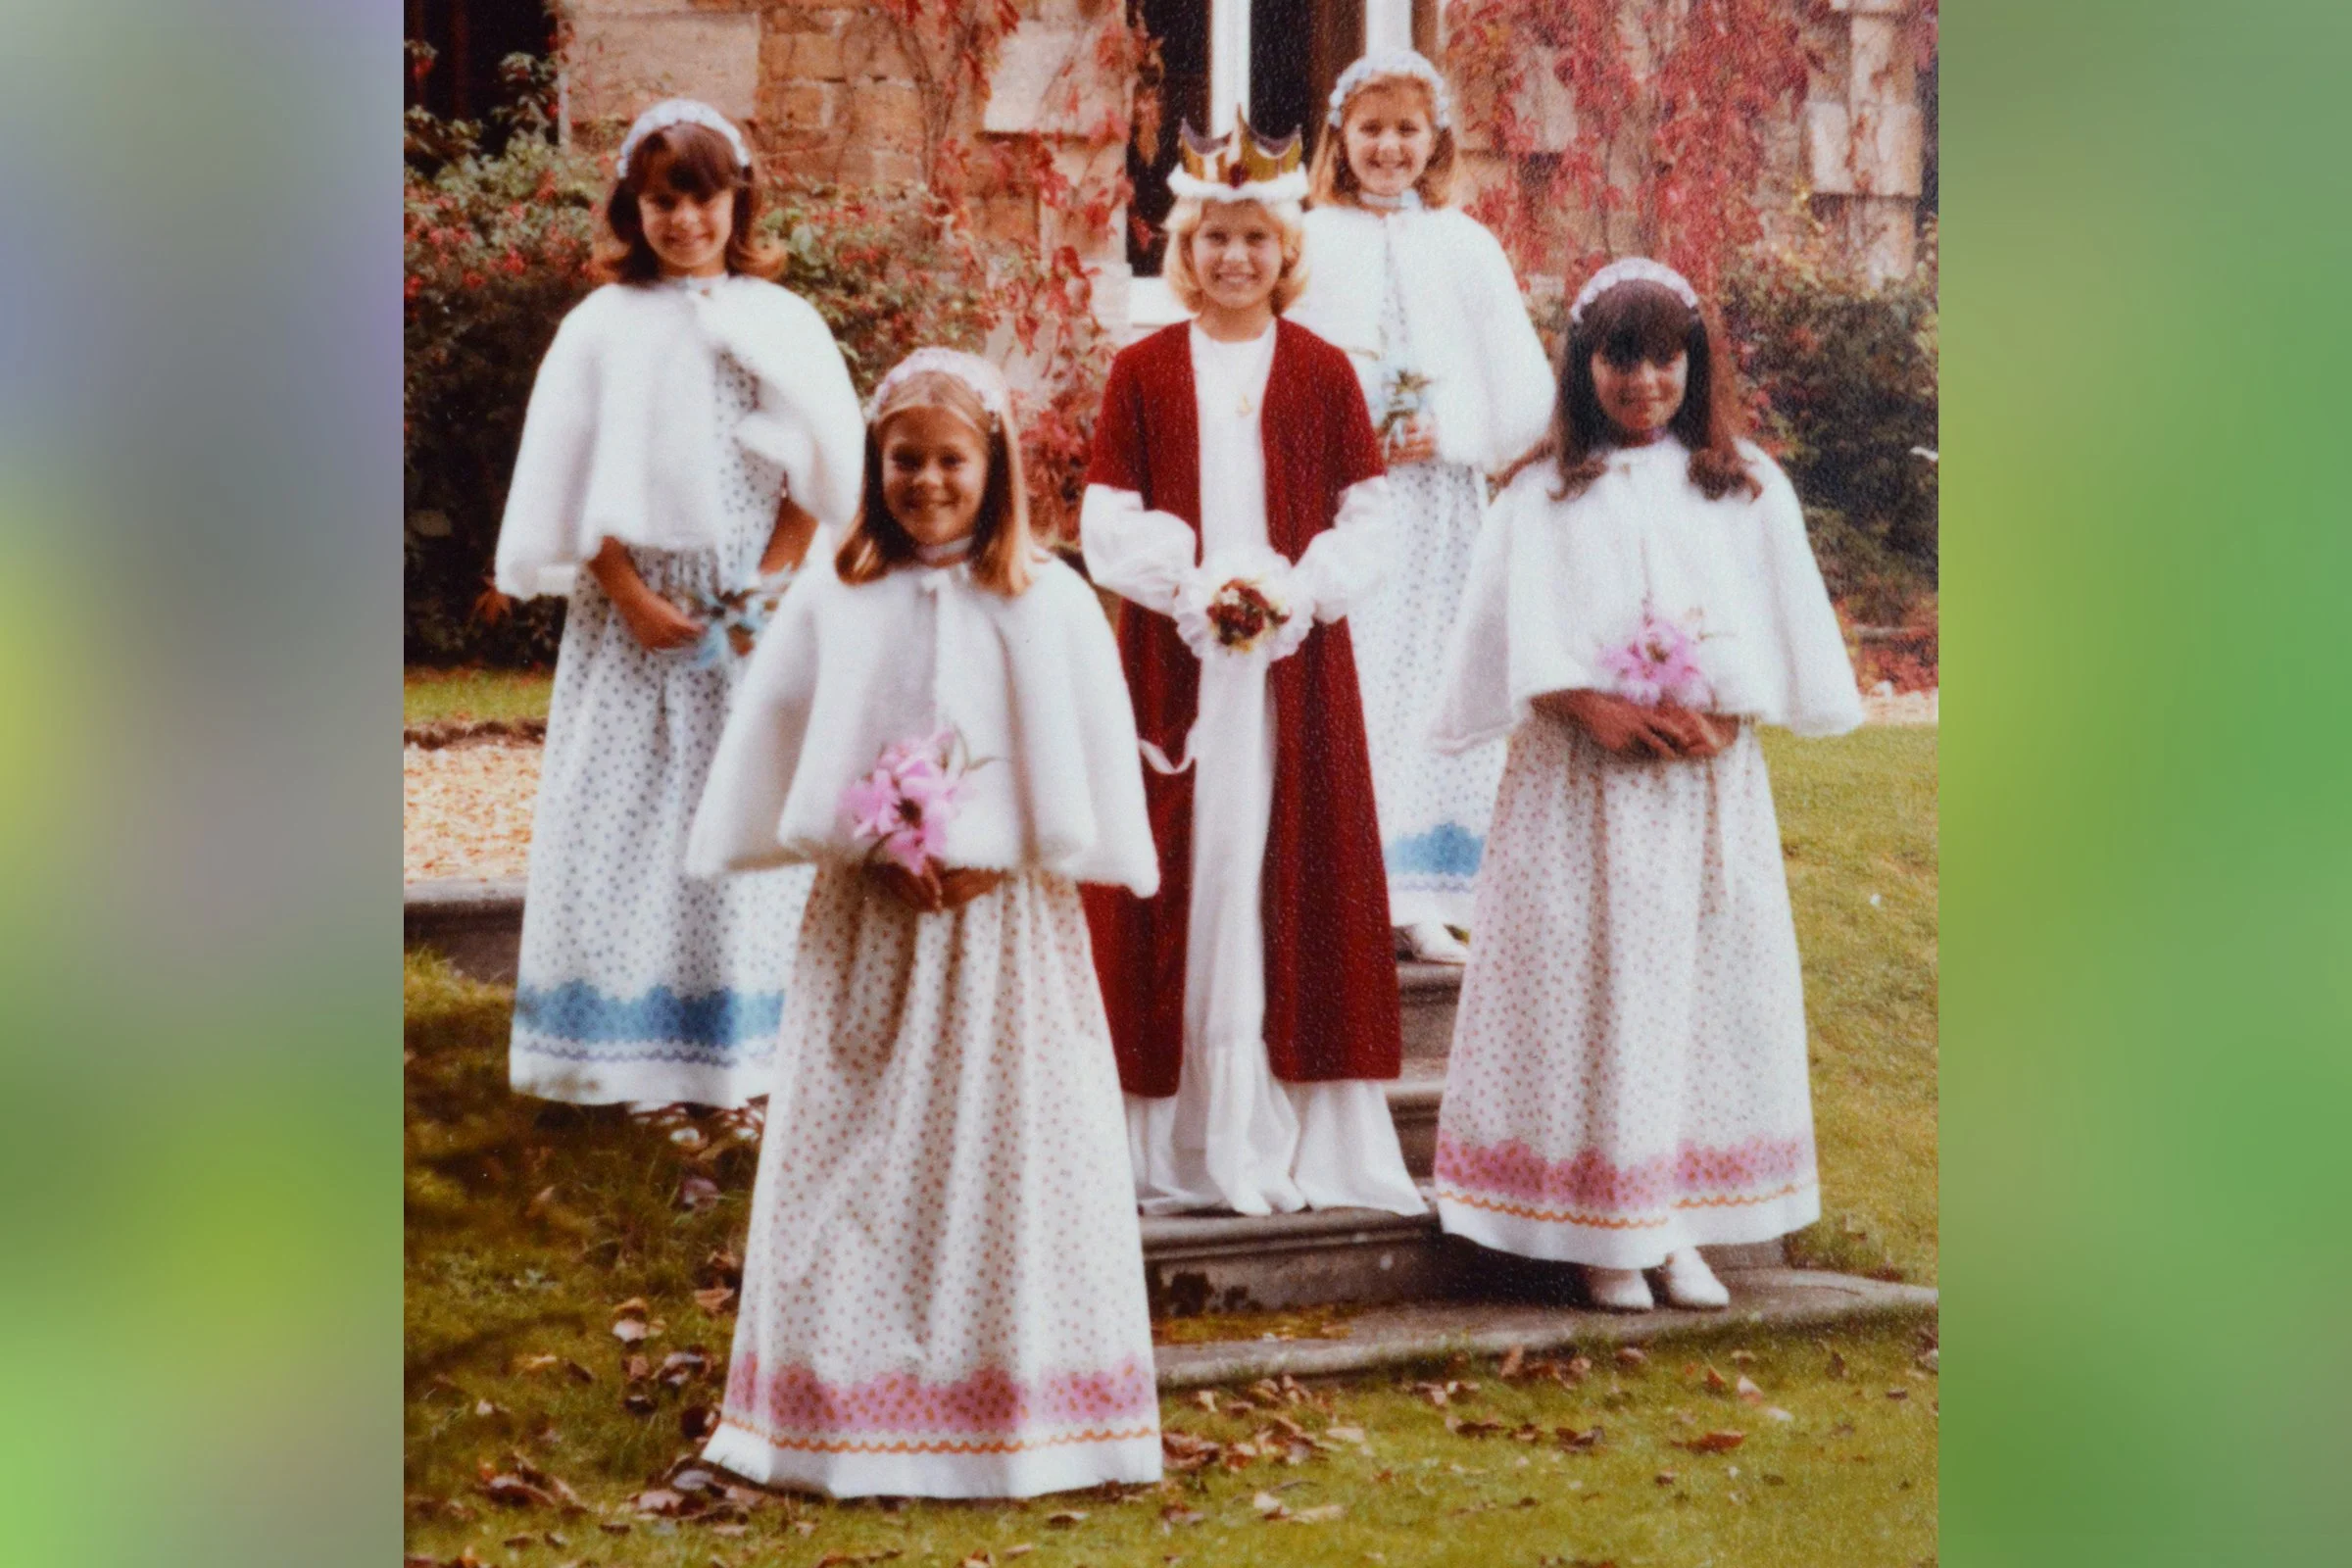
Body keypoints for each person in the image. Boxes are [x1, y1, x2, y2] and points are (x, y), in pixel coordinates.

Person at [685, 349, 1163, 1498]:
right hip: (873, 927)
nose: (928, 482)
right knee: (856, 1155)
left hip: (1006, 937)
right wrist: (870, 842)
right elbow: (789, 736)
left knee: (1008, 1149)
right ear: (875, 464)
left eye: (951, 460)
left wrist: (1005, 850)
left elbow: (1084, 763)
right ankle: (836, 1410)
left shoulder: (1047, 599)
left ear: (991, 465)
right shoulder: (837, 593)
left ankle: (1020, 1412)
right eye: (905, 460)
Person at [1426, 259, 1865, 1311]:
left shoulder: (1741, 485)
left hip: (1698, 794)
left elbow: (1776, 623)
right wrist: (1585, 701)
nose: (1644, 382)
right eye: (1620, 359)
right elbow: (1508, 636)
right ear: (1584, 366)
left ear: (1692, 363)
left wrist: (1727, 708)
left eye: (1664, 358)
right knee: (1594, 986)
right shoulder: (1542, 493)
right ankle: (1600, 1227)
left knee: (1691, 993)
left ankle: (1677, 1221)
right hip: (1580, 791)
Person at [1082, 114, 1424, 1219]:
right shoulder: (1141, 371)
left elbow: (1369, 517)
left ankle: (1283, 1130)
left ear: (1287, 255)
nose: (1235, 259)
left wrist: (1294, 590)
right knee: (1184, 864)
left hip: (1291, 675)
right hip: (1174, 668)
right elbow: (1105, 515)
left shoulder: (1323, 375)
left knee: (1278, 864)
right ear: (1186, 250)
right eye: (1215, 239)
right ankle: (1166, 1141)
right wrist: (1188, 584)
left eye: (1256, 241)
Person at [492, 98, 864, 1107]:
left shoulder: (779, 323)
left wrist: (768, 589)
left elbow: (816, 479)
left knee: (746, 821)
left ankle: (746, 1064)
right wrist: (631, 596)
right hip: (635, 622)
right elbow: (569, 484)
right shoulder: (599, 328)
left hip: (750, 615)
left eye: (702, 200)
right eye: (662, 202)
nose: (684, 222)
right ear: (633, 206)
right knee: (630, 825)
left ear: (735, 200)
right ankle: (627, 1063)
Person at [1289, 48, 1555, 965]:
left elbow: (1520, 385)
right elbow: (1283, 362)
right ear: (1342, 137)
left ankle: (1421, 894)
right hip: (1340, 501)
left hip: (1437, 506)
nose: (1389, 148)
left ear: (1433, 138)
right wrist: (1343, 429)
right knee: (1348, 679)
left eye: (1407, 130)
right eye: (1371, 129)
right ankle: (1336, 886)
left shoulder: (1464, 245)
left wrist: (1449, 429)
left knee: (1432, 685)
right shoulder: (1310, 240)